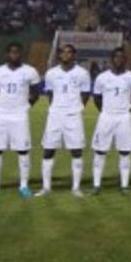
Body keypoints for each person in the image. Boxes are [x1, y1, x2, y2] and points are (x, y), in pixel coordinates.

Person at [0, 42, 42, 198]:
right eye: (11, 52)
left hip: (20, 116)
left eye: (17, 52)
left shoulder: (30, 71)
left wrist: (24, 107)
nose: (14, 55)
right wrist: (3, 108)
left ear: (21, 54)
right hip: (0, 115)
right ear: (6, 54)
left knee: (23, 150)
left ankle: (23, 186)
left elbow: (36, 93)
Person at [39, 44, 91, 196]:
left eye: (69, 52)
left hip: (73, 116)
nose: (66, 55)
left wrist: (76, 107)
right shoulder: (51, 73)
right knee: (48, 150)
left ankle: (76, 188)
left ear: (74, 55)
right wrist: (57, 107)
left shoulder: (82, 73)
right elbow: (49, 93)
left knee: (76, 151)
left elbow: (86, 94)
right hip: (55, 115)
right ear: (59, 55)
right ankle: (46, 187)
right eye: (63, 52)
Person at [91, 47, 131, 195]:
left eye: (122, 57)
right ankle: (96, 185)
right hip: (106, 117)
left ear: (125, 59)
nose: (119, 60)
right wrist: (105, 111)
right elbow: (97, 98)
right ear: (112, 59)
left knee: (125, 152)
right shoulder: (102, 77)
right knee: (100, 151)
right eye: (116, 57)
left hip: (124, 118)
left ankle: (124, 186)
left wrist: (128, 110)